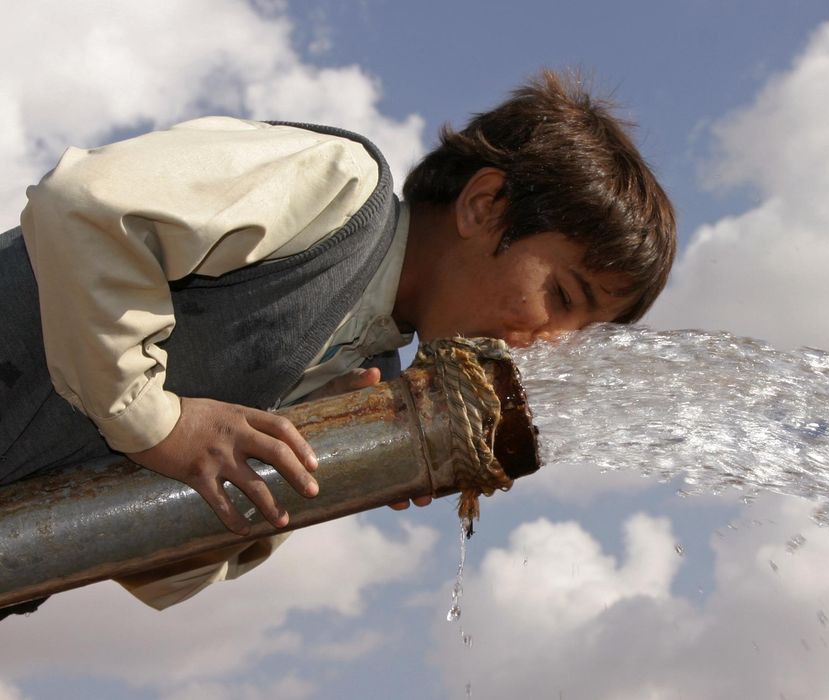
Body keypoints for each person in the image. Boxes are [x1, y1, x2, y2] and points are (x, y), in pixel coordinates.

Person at [0, 70, 677, 611]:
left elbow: (153, 574)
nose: (546, 344)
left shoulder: (364, 378)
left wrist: (326, 469)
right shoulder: (340, 189)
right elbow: (85, 204)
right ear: (484, 205)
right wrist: (157, 424)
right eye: (561, 297)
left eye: (578, 336)